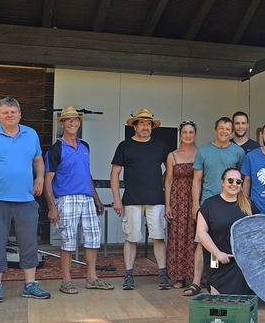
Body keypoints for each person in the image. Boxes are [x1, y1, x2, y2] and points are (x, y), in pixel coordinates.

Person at [0, 97, 50, 302]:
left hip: (25, 199)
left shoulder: (30, 134)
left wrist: (40, 177)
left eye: (13, 112)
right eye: (5, 112)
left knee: (29, 242)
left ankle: (30, 285)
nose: (10, 115)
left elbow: (38, 159)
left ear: (20, 114)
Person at [44, 106, 113, 294]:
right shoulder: (56, 149)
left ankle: (92, 278)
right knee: (67, 240)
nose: (73, 123)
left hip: (87, 198)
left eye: (75, 120)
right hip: (66, 198)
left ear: (79, 122)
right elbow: (47, 181)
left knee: (92, 238)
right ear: (62, 123)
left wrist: (96, 199)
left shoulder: (85, 146)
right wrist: (52, 207)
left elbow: (86, 175)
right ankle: (66, 280)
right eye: (68, 120)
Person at [110, 108, 172, 291]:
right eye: (142, 123)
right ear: (135, 126)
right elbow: (114, 174)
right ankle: (129, 275)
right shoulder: (125, 146)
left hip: (156, 199)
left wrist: (160, 182)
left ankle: (162, 274)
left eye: (148, 124)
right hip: (131, 200)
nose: (146, 127)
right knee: (131, 238)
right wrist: (116, 199)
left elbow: (170, 169)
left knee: (159, 237)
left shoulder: (160, 145)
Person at [187, 116, 244, 296]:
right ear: (215, 130)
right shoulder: (203, 151)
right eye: (221, 128)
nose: (225, 131)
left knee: (228, 242)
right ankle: (197, 281)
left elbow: (241, 179)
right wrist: (196, 204)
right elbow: (196, 180)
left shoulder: (238, 152)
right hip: (208, 203)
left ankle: (219, 282)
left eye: (228, 129)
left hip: (231, 204)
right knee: (201, 242)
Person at [197, 168, 258, 294]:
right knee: (219, 302)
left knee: (239, 303)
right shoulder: (209, 204)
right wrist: (218, 253)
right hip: (217, 260)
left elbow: (257, 231)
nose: (234, 184)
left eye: (238, 182)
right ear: (222, 182)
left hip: (241, 263)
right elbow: (201, 233)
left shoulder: (248, 204)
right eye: (230, 180)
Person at [164, 120, 198, 289]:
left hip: (194, 198)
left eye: (191, 132)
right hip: (177, 199)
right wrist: (167, 205)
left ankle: (195, 276)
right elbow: (168, 181)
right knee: (178, 236)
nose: (188, 135)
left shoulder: (201, 154)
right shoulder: (172, 155)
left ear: (195, 135)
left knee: (194, 236)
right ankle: (179, 276)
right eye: (185, 132)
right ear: (180, 134)